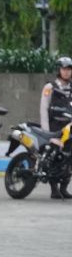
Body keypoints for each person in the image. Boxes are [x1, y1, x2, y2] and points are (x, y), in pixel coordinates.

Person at [39, 56, 72, 198]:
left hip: (69, 127)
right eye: (64, 69)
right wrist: (46, 132)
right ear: (59, 70)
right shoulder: (50, 87)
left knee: (68, 158)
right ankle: (54, 188)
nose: (67, 72)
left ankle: (64, 187)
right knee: (54, 157)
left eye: (69, 69)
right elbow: (44, 109)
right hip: (54, 127)